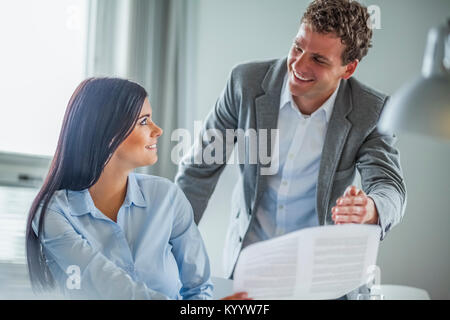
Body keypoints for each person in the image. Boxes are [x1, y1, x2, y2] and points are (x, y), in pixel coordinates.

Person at [175, 0, 407, 298]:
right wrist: (168, 245)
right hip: (249, 268)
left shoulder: (370, 112)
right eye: (297, 47)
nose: (298, 66)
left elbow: (390, 186)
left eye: (319, 60)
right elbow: (197, 171)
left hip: (324, 280)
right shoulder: (245, 84)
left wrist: (372, 208)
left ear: (348, 68)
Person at [25, 78, 248, 300]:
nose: (158, 130)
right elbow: (107, 285)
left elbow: (199, 289)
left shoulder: (166, 197)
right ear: (106, 131)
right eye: (144, 121)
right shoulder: (52, 213)